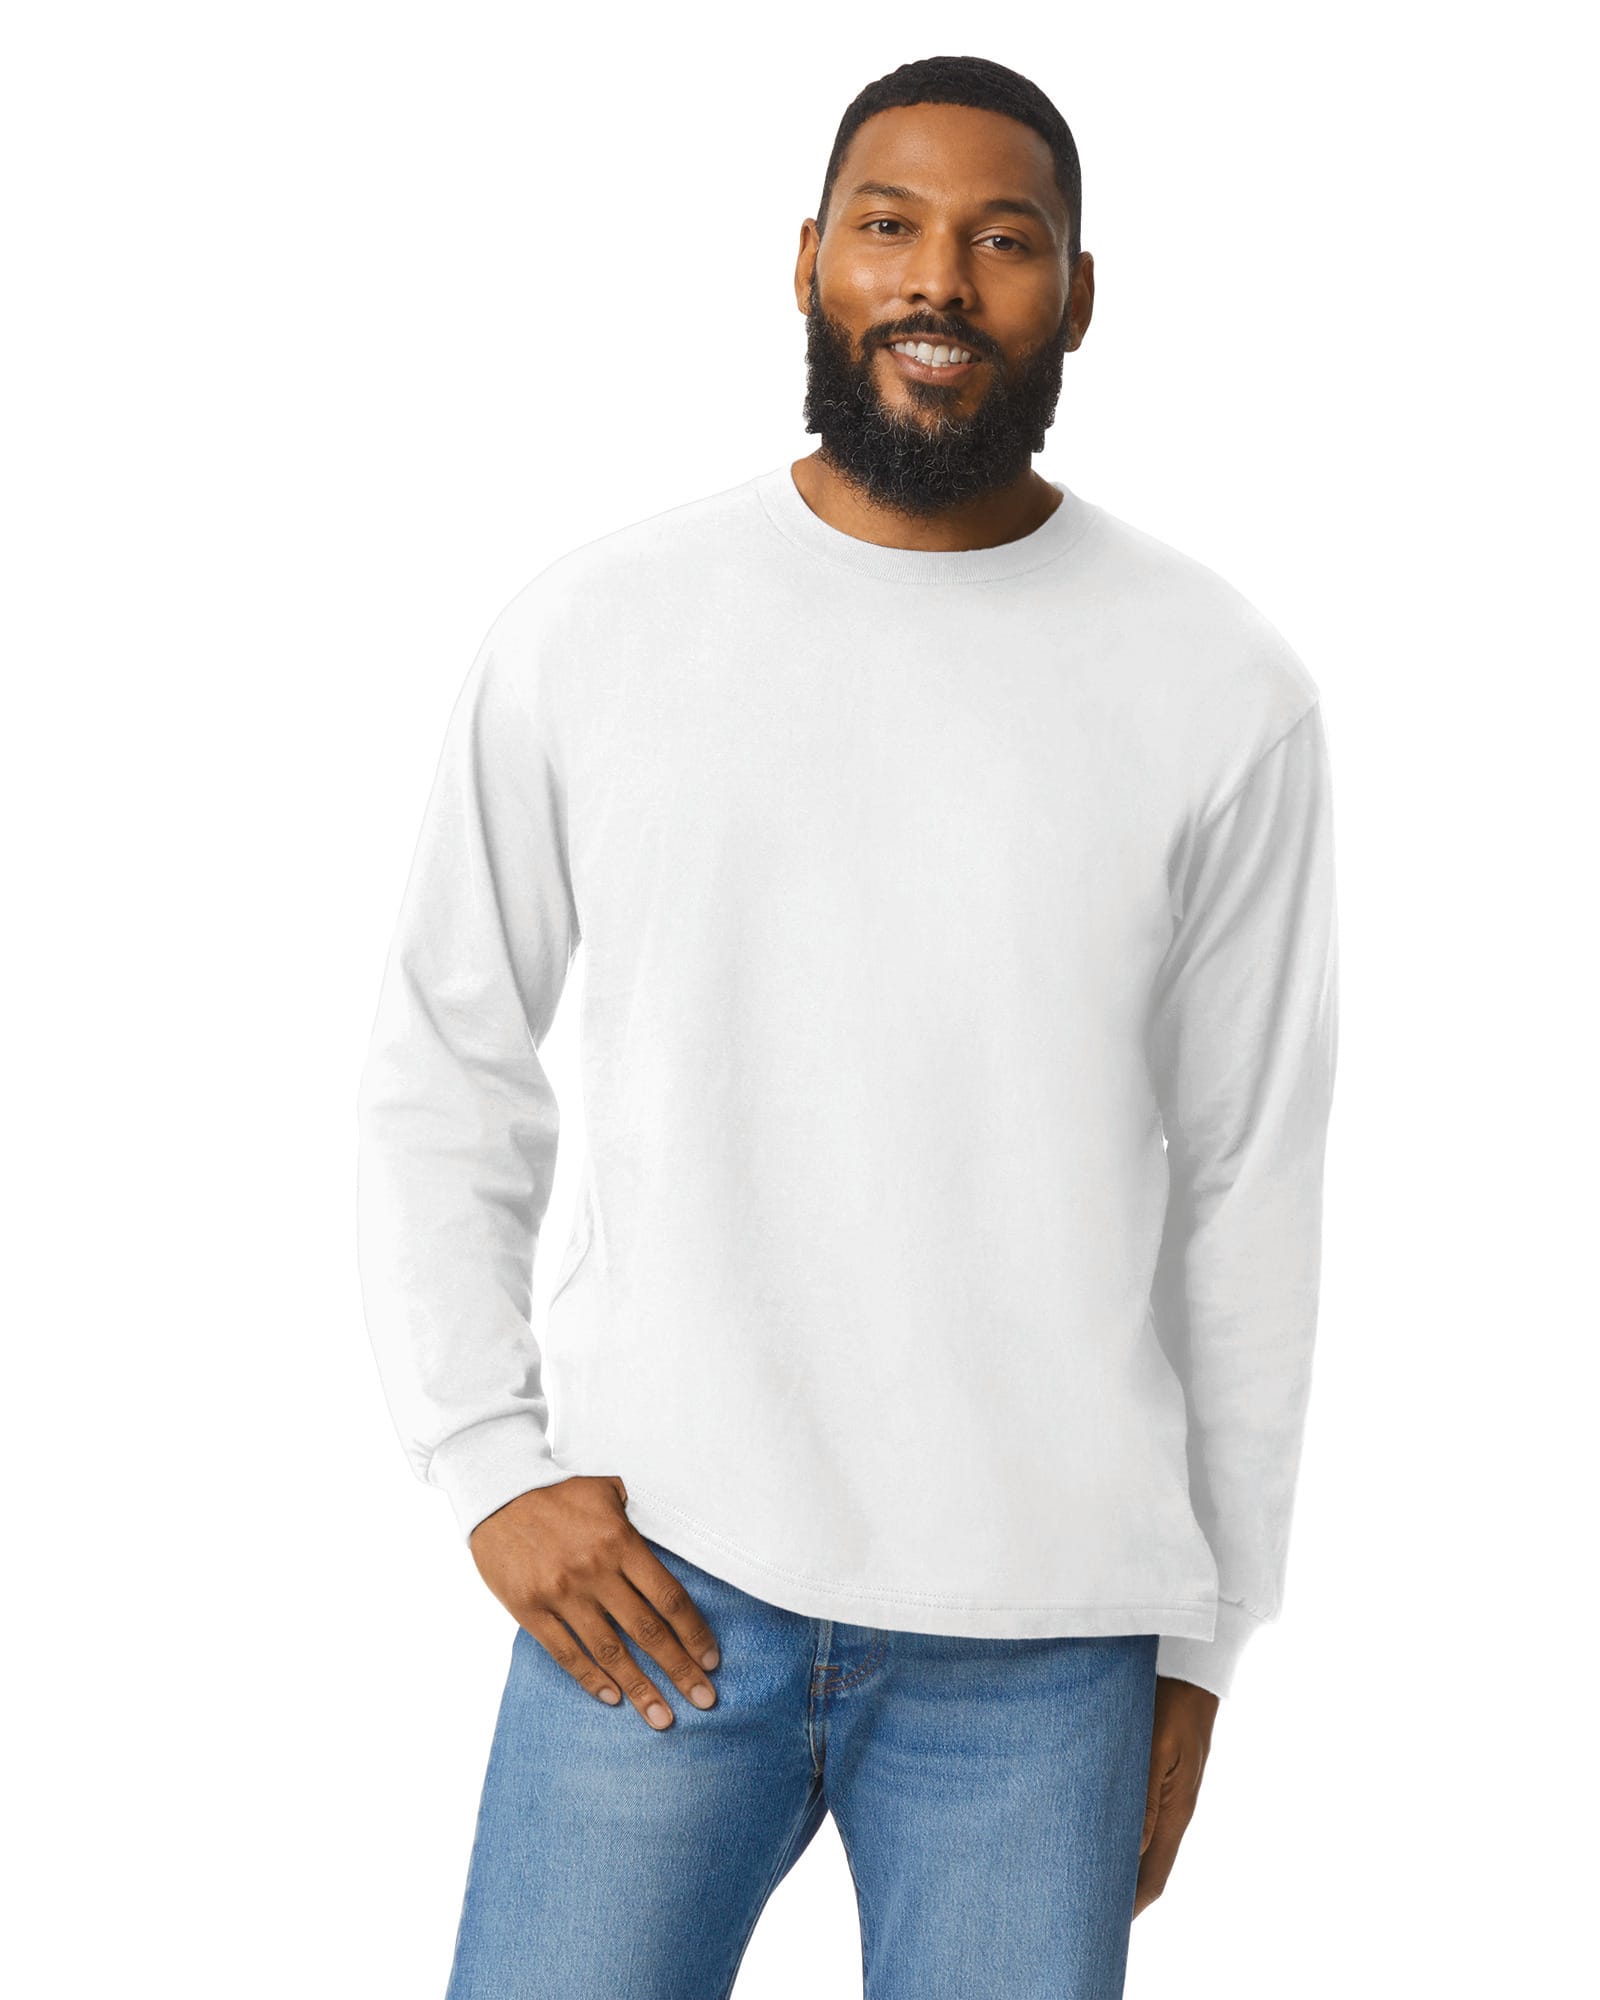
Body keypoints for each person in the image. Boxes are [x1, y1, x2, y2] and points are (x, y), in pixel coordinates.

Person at [355, 53, 1340, 2000]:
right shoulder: (598, 625)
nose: (937, 280)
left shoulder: (1218, 685)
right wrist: (485, 1461)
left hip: (1045, 1641)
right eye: (890, 226)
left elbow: (1251, 1183)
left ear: (1076, 294)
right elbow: (443, 1060)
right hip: (654, 1586)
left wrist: (1204, 1640)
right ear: (808, 260)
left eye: (1002, 239)